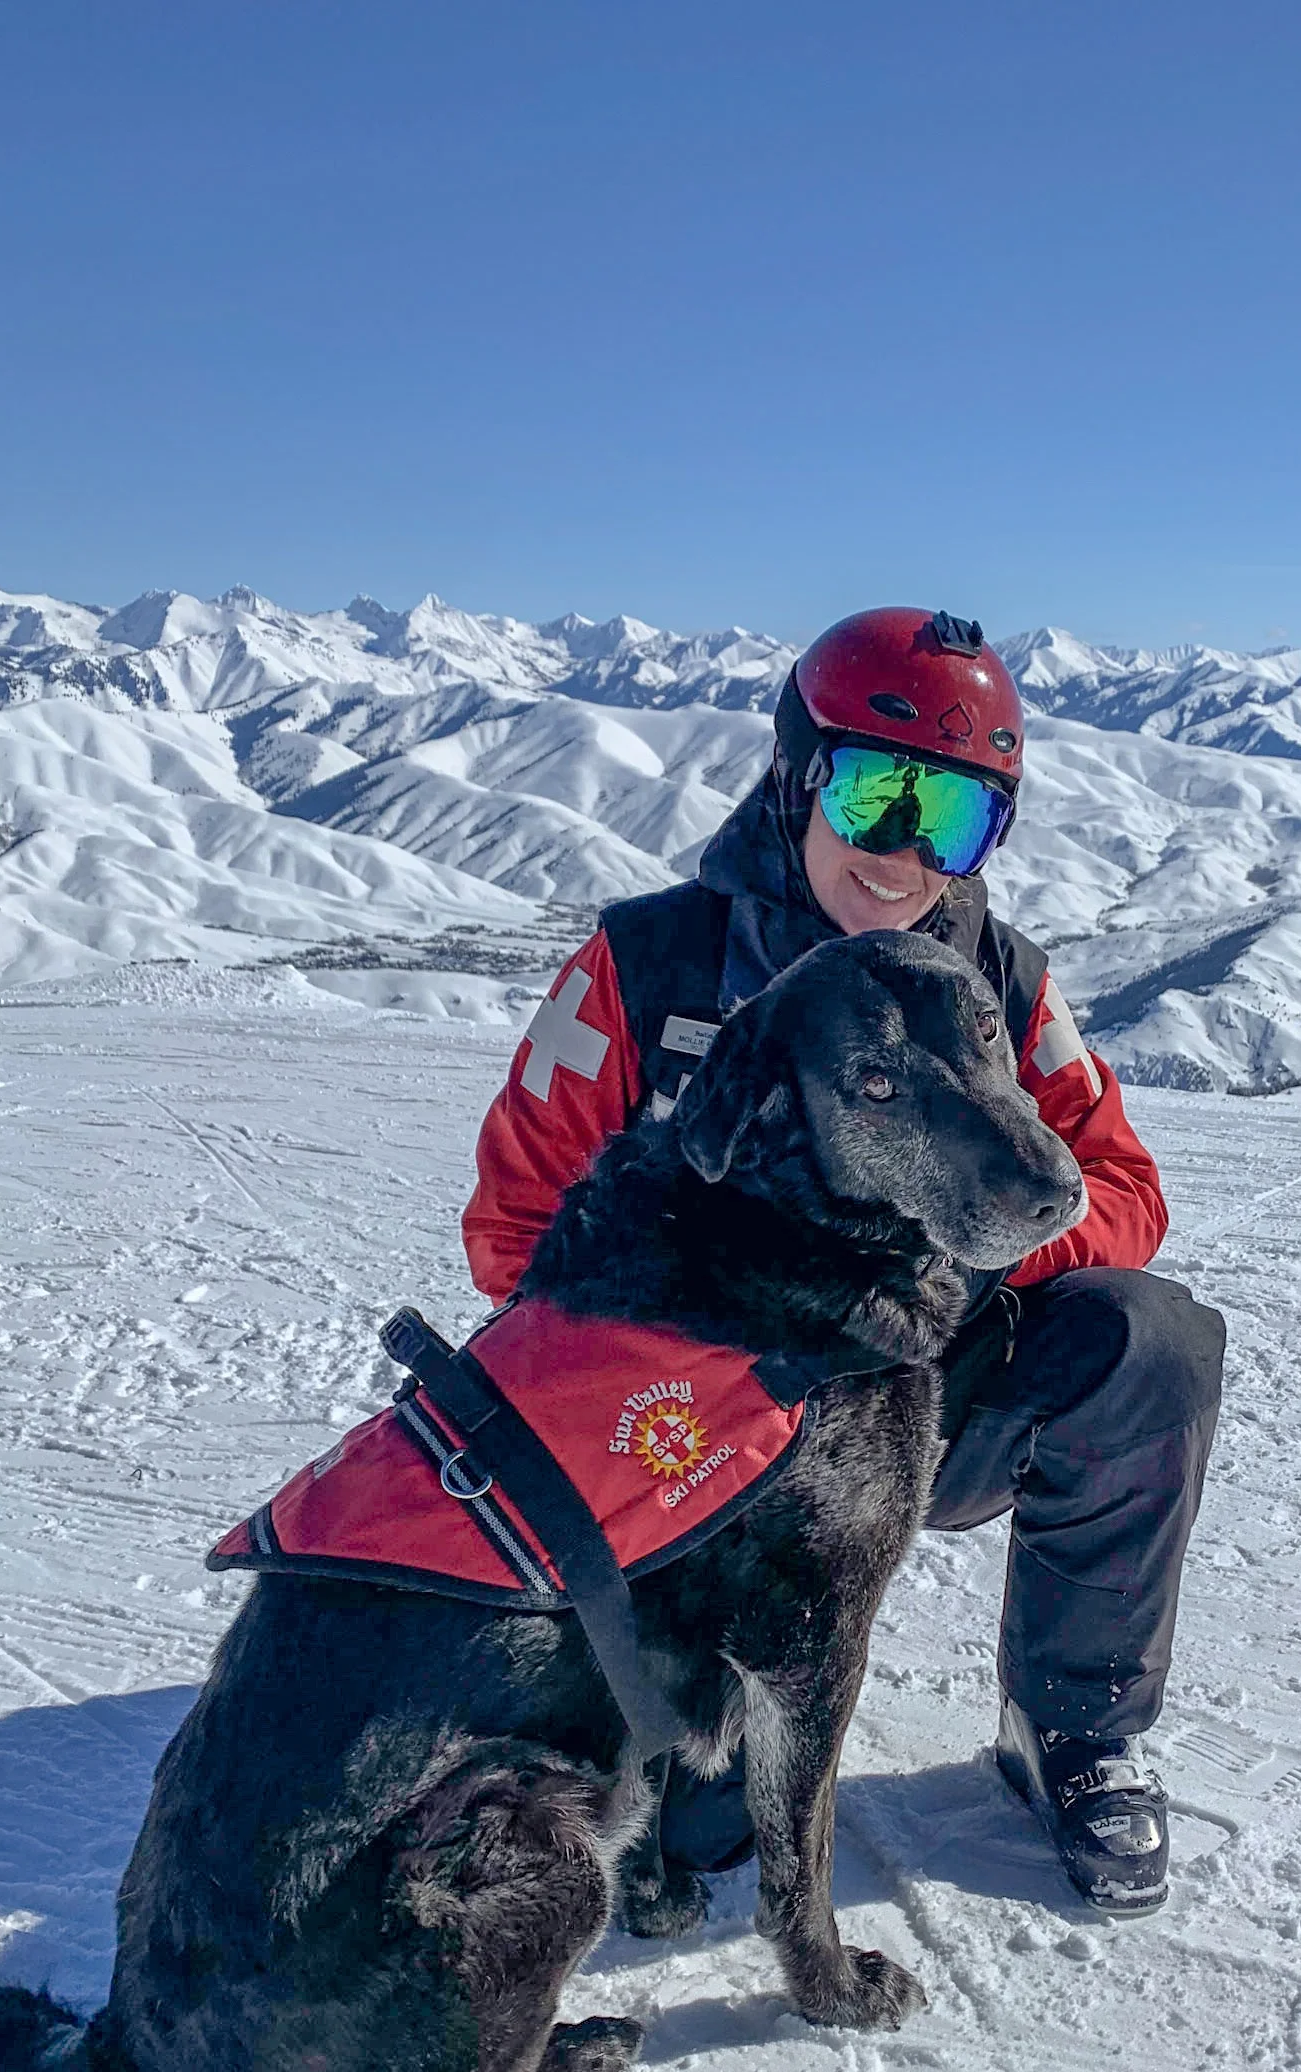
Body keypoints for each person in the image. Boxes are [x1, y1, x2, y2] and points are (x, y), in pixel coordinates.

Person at [461, 606, 1225, 1914]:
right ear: (797, 774)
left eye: (957, 819)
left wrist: (964, 1257)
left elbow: (1122, 1190)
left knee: (1146, 1340)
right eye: (877, 793)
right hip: (689, 1445)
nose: (905, 851)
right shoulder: (651, 972)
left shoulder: (995, 986)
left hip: (915, 1407)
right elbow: (515, 1234)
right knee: (698, 1833)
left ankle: (1071, 1727)